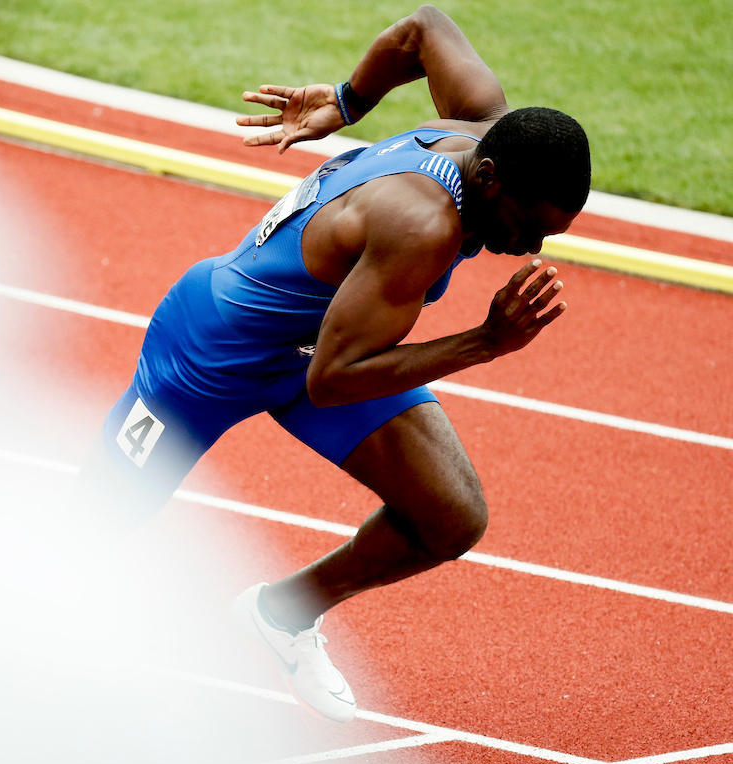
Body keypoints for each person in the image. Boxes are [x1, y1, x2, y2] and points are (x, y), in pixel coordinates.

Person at [75, 4, 590, 723]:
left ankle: (282, 615)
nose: (531, 244)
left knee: (451, 517)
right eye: (528, 225)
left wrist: (347, 101)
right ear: (493, 178)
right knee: (88, 526)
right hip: (212, 352)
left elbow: (426, 28)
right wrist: (485, 342)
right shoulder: (422, 225)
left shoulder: (484, 126)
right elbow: (335, 382)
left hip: (321, 344)